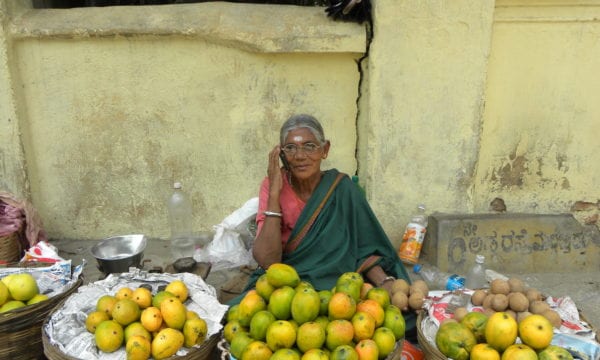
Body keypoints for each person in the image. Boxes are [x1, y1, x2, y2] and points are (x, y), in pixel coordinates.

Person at [234, 114, 416, 339]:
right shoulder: (274, 185)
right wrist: (274, 193)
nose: (300, 156)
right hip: (289, 285)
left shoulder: (342, 189)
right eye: (290, 148)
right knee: (247, 322)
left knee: (398, 320)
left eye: (310, 146)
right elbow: (268, 261)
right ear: (281, 154)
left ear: (325, 150)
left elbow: (364, 246)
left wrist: (384, 282)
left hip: (339, 283)